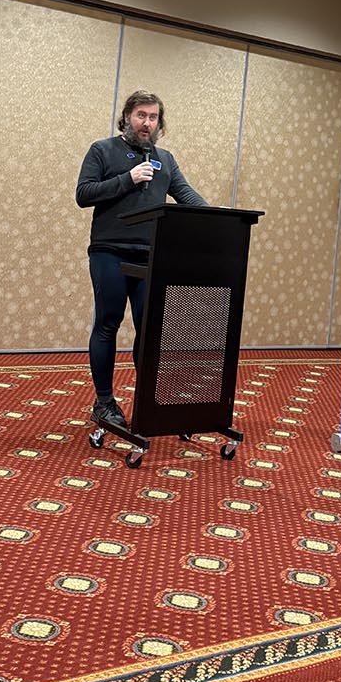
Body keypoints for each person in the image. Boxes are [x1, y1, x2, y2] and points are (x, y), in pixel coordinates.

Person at [75, 90, 207, 429]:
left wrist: (216, 215)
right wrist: (128, 179)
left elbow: (184, 193)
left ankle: (149, 401)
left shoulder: (165, 159)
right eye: (141, 116)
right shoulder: (102, 150)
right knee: (108, 323)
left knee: (149, 331)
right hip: (109, 251)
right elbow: (83, 194)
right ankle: (104, 403)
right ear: (127, 117)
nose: (147, 123)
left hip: (150, 254)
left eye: (153, 117)